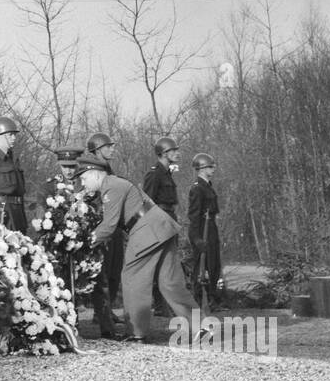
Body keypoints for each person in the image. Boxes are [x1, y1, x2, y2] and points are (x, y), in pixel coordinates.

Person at [76, 154, 208, 344]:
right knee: (170, 283)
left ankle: (136, 332)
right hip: (160, 227)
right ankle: (202, 327)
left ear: (95, 174)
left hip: (145, 231)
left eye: (84, 178)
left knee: (132, 278)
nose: (83, 183)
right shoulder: (115, 183)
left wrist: (82, 243)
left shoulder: (110, 187)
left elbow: (109, 225)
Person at [85, 132, 125, 339]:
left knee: (115, 270)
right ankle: (101, 314)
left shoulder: (109, 170)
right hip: (103, 225)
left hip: (115, 225)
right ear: (97, 150)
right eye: (108, 146)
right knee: (103, 272)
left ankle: (108, 311)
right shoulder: (91, 170)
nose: (112, 149)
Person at [188, 153, 222, 306]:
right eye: (210, 166)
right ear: (201, 169)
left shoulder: (208, 186)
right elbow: (194, 216)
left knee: (213, 265)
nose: (213, 169)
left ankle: (213, 299)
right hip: (202, 229)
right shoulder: (197, 188)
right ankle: (198, 300)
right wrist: (196, 239)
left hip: (211, 228)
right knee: (201, 267)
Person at [141, 136, 181, 218]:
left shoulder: (167, 173)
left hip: (169, 216)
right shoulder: (154, 174)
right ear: (164, 153)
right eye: (174, 150)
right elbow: (147, 203)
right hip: (159, 218)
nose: (177, 153)